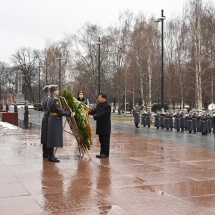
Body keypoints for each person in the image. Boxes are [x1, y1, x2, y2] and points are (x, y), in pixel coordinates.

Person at [46, 85, 71, 162]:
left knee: (51, 138)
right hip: (55, 120)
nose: (58, 91)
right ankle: (51, 156)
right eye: (57, 90)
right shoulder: (55, 100)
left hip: (52, 119)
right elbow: (59, 110)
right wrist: (68, 113)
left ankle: (51, 155)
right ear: (54, 91)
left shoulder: (49, 98)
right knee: (53, 138)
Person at [88, 93, 111, 158]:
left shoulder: (107, 106)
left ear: (104, 99)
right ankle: (102, 153)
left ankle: (105, 153)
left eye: (100, 98)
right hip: (100, 125)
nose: (98, 99)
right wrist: (88, 112)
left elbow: (103, 114)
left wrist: (93, 117)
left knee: (105, 140)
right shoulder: (99, 105)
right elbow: (95, 111)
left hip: (105, 126)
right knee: (101, 140)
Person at [41, 85, 50, 158]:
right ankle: (47, 153)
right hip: (48, 118)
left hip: (45, 118)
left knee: (45, 136)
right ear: (49, 91)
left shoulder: (44, 98)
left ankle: (45, 153)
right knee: (48, 136)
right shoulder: (48, 99)